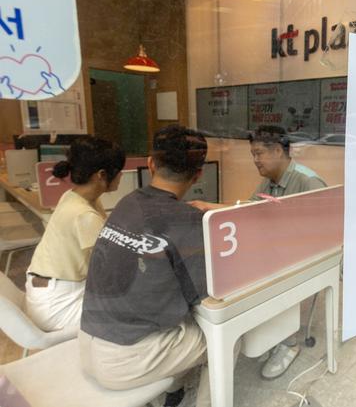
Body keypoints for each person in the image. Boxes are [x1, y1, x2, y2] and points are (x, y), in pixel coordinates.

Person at [79, 125, 212, 407]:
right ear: (199, 174)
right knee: (223, 336)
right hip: (125, 361)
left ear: (150, 164)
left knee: (179, 323)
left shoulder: (128, 203)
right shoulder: (187, 222)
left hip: (88, 344)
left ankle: (173, 392)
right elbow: (203, 297)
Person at [190, 125, 326, 379]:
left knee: (263, 276)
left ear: (277, 151)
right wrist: (210, 207)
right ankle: (266, 331)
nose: (255, 160)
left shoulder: (308, 181)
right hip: (275, 250)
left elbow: (323, 232)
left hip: (302, 258)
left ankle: (288, 343)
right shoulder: (271, 179)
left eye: (259, 153)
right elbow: (250, 209)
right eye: (253, 154)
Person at [25, 136, 125, 332]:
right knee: (133, 310)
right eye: (119, 171)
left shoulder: (74, 197)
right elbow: (115, 264)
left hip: (49, 290)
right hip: (58, 305)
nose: (121, 175)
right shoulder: (83, 214)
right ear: (101, 175)